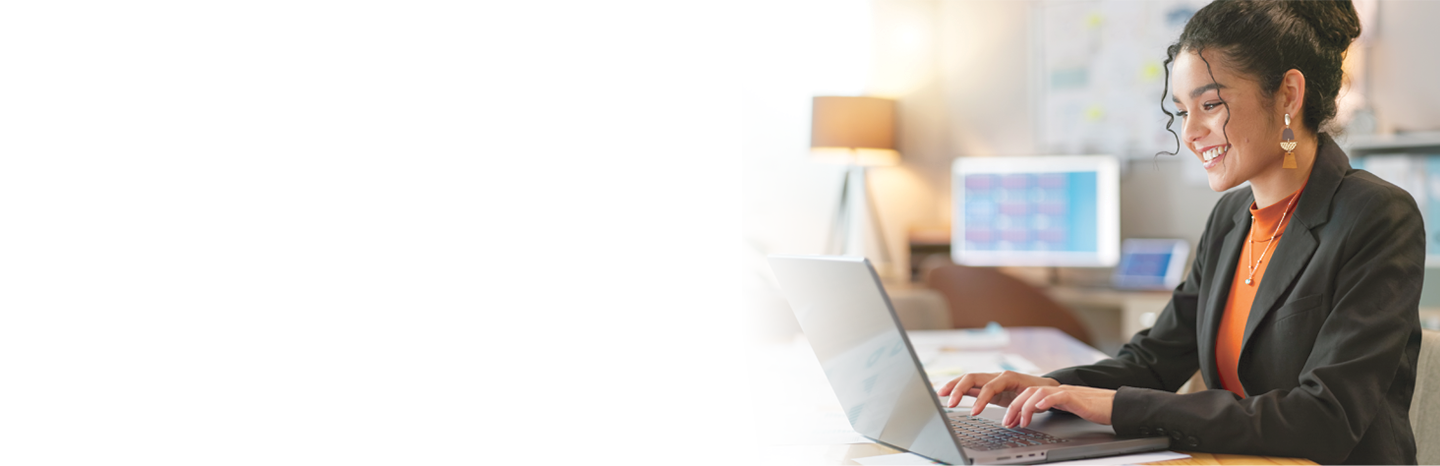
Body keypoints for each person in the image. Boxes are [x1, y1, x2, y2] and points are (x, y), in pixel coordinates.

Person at [936, 0, 1423, 464]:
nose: (1189, 133)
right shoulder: (1232, 217)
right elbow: (1153, 361)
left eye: (1209, 104)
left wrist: (1119, 407)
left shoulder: (1376, 216)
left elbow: (1324, 419)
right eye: (1180, 111)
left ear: (1288, 95)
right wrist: (1040, 387)